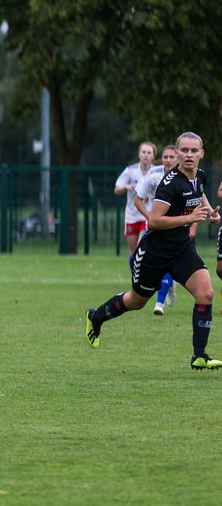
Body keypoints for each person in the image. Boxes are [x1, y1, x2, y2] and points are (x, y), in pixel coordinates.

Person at [85, 132, 222, 370]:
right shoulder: (169, 184)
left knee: (206, 292)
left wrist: (211, 212)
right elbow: (154, 222)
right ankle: (95, 317)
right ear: (176, 153)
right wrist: (189, 217)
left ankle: (199, 355)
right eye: (184, 151)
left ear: (202, 154)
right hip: (154, 253)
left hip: (180, 249)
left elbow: (199, 194)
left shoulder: (200, 175)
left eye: (193, 151)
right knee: (136, 301)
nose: (189, 155)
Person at [133, 144, 179, 315]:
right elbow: (137, 200)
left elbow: (197, 200)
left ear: (177, 158)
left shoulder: (186, 176)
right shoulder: (154, 175)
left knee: (166, 265)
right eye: (165, 157)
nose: (168, 160)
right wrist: (150, 218)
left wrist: (193, 225)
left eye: (171, 157)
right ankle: (167, 285)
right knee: (135, 258)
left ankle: (159, 303)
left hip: (177, 230)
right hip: (156, 228)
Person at [115, 140, 157, 270]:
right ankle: (135, 278)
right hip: (132, 215)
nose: (146, 155)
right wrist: (127, 187)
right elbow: (117, 189)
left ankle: (143, 277)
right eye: (143, 152)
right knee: (133, 252)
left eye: (149, 152)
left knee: (141, 247)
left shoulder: (157, 172)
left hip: (147, 215)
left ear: (153, 156)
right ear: (139, 154)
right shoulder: (130, 171)